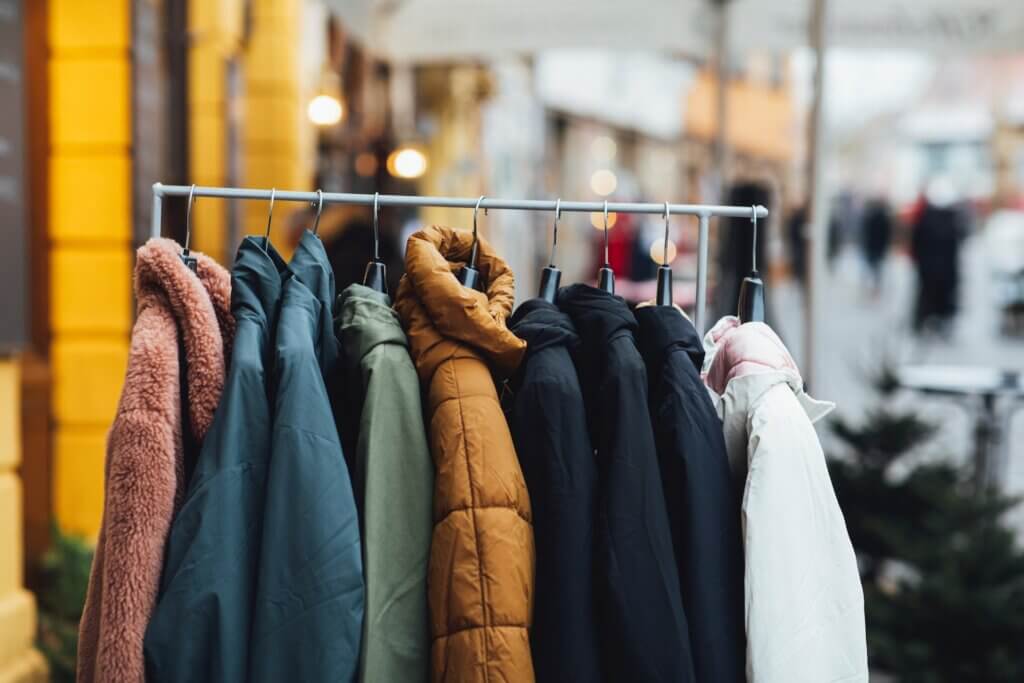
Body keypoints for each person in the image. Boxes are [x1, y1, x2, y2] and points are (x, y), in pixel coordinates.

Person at [910, 180, 966, 335]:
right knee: (936, 298)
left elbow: (917, 241)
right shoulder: (951, 219)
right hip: (941, 269)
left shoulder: (929, 217)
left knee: (930, 297)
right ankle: (932, 323)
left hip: (931, 268)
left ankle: (927, 323)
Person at [861, 199, 893, 296]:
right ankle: (874, 288)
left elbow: (866, 232)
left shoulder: (871, 217)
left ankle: (869, 288)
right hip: (878, 248)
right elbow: (887, 236)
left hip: (872, 247)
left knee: (870, 268)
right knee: (876, 270)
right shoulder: (885, 219)